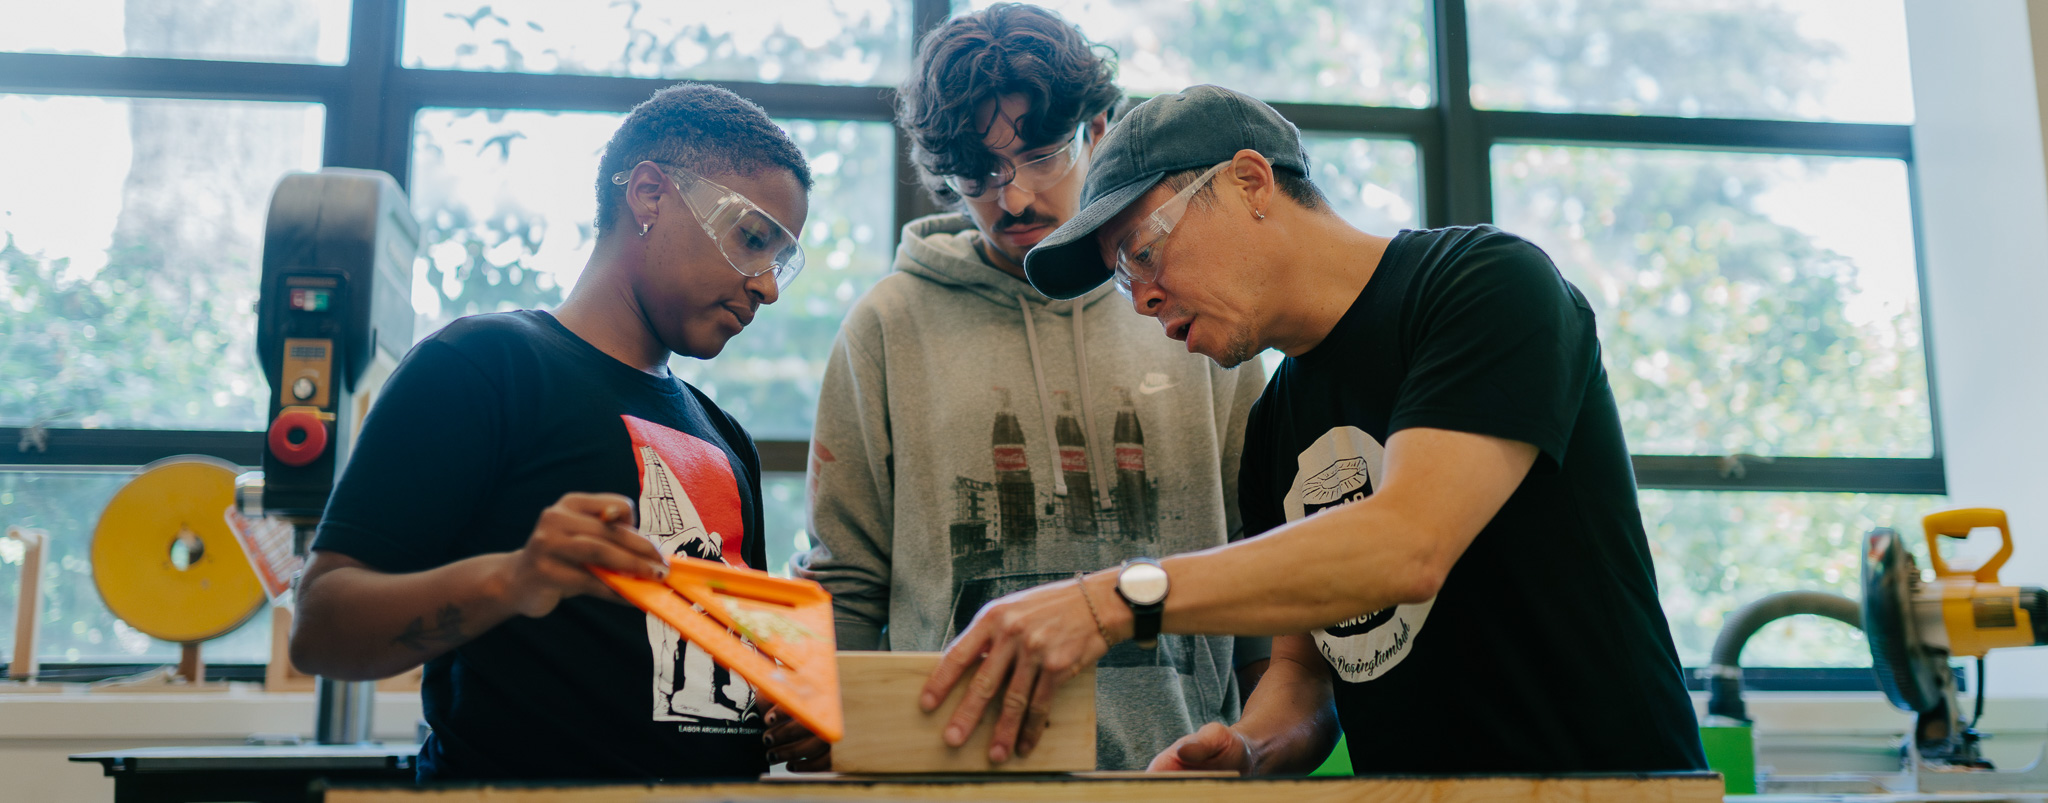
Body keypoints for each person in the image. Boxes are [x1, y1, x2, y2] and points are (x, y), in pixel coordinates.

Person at [916, 84, 1709, 775]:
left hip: (1609, 788)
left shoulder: (1482, 287)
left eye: (1144, 252)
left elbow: (1406, 545)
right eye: (1124, 276)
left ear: (1250, 181)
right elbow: (1305, 672)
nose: (1142, 299)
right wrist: (1253, 747)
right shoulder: (1276, 424)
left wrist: (1114, 600)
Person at [763, 5, 1269, 771]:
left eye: (1040, 154)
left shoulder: (1194, 305)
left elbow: (1263, 567)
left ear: (1098, 129)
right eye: (978, 174)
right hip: (947, 774)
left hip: (1178, 772)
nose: (1016, 197)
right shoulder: (888, 325)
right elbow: (848, 580)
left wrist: (1261, 747)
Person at [289, 83, 813, 782]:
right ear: (651, 195)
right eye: (752, 238)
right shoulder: (482, 366)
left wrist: (791, 712)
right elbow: (322, 629)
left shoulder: (725, 437)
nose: (768, 287)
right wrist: (514, 577)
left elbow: (714, 675)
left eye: (780, 259)